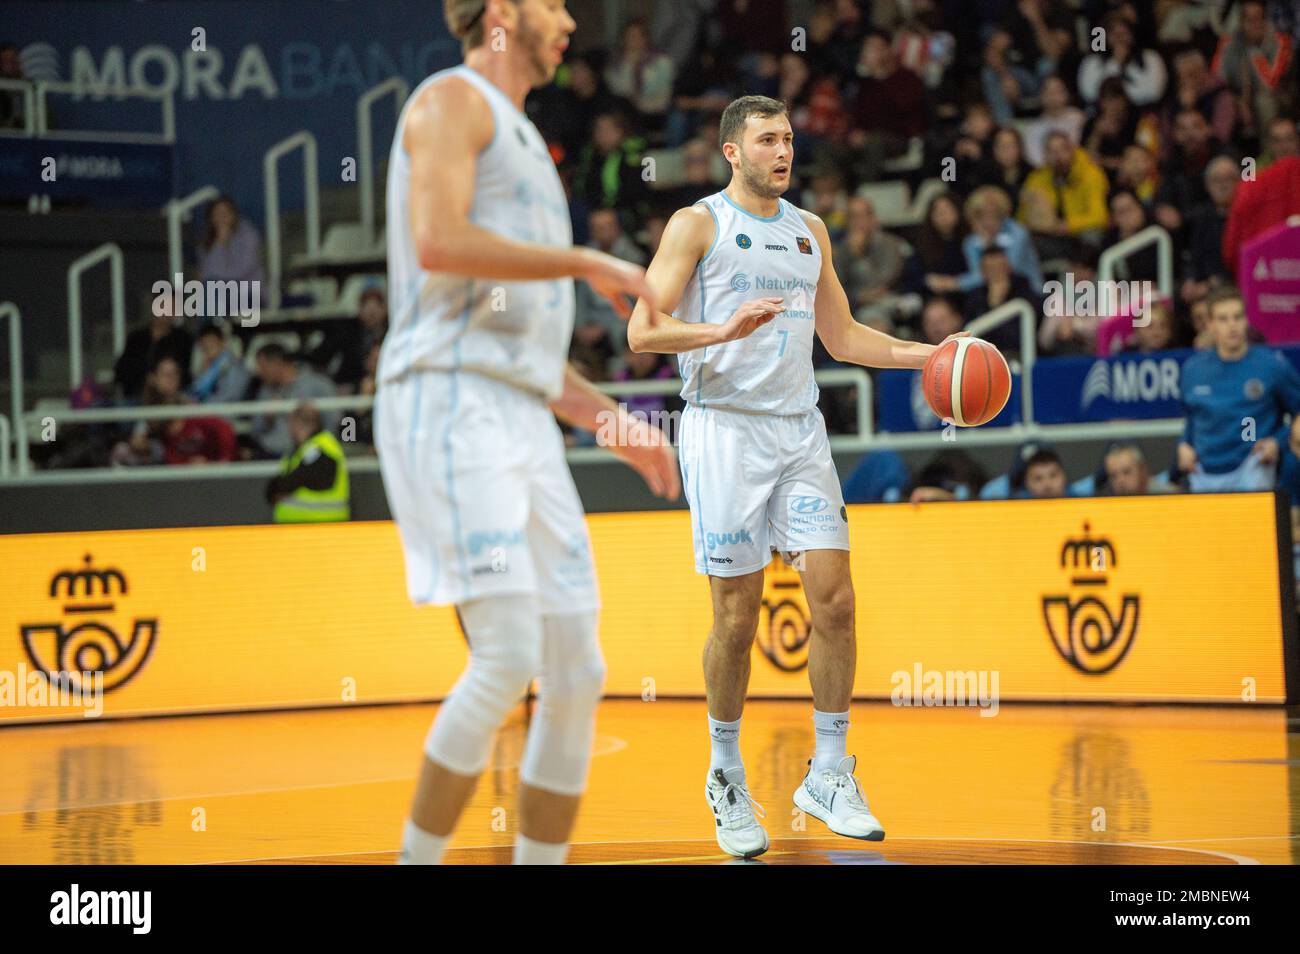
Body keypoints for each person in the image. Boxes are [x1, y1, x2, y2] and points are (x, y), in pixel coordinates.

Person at [376, 0, 677, 868]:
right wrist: (587, 262)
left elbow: (531, 352)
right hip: (448, 396)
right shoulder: (450, 100)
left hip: (516, 409)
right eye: (555, 5)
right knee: (508, 654)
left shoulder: (533, 153)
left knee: (578, 669)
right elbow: (437, 242)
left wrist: (613, 421)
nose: (573, 23)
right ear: (503, 12)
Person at [626, 94, 968, 858]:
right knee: (737, 618)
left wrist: (930, 356)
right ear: (731, 152)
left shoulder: (811, 232)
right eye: (768, 140)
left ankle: (829, 771)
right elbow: (642, 330)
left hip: (798, 430)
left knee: (837, 599)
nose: (783, 151)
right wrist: (722, 328)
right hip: (723, 432)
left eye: (788, 139)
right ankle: (724, 773)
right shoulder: (697, 225)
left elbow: (842, 337)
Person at [1178, 286, 1300, 492]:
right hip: (1204, 470)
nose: (1232, 325)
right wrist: (1184, 445)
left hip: (1253, 464)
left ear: (1246, 320)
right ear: (1210, 325)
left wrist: (1278, 442)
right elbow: (1193, 418)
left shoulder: (1271, 365)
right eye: (1223, 319)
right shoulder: (1193, 370)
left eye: (1237, 317)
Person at [248, 343, 338, 459]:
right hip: (269, 452)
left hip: (311, 452)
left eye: (263, 367)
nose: (259, 372)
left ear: (277, 363)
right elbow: (255, 431)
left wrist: (314, 433)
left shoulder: (318, 384)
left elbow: (333, 422)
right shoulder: (265, 391)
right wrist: (267, 419)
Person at [266, 403, 350, 523]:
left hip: (320, 526)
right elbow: (277, 487)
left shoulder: (320, 447)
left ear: (298, 423)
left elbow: (294, 480)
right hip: (307, 525)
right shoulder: (303, 449)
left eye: (290, 423)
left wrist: (280, 488)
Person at [189, 324, 251, 404]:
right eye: (205, 346)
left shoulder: (235, 367)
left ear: (222, 343)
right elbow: (194, 391)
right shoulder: (207, 370)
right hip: (207, 411)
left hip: (228, 413)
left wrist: (199, 405)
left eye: (212, 343)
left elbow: (229, 398)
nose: (208, 349)